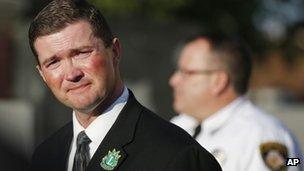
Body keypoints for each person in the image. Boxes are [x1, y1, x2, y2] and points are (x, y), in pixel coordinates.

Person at [28, 0, 221, 171]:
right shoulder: (45, 157)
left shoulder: (179, 156)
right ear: (42, 74)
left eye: (82, 53)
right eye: (53, 62)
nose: (71, 74)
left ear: (115, 52)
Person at [169, 34, 303, 171]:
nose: (173, 80)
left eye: (187, 72)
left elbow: (286, 162)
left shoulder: (264, 136)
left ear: (218, 81)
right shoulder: (180, 126)